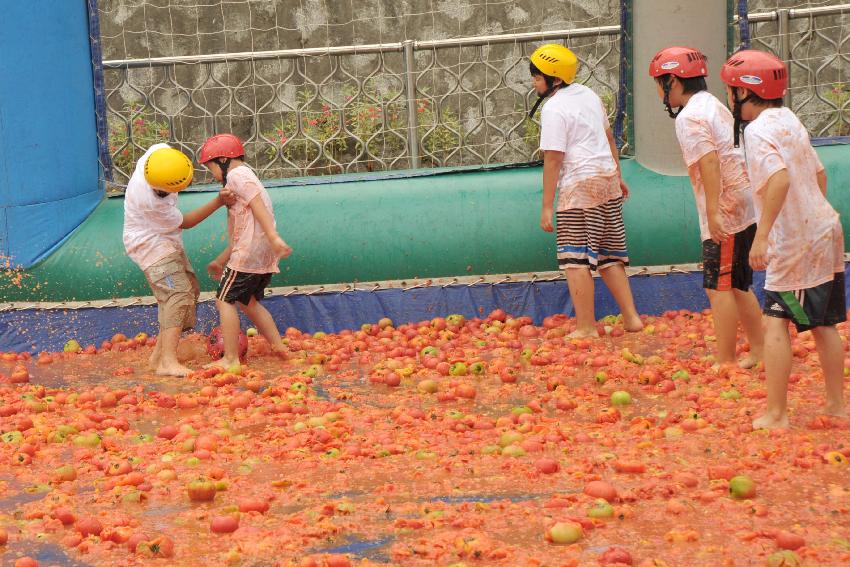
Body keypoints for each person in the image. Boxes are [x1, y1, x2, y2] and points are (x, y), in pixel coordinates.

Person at [721, 49, 846, 428]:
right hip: (824, 228)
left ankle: (776, 413)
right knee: (822, 322)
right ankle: (836, 404)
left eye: (731, 89)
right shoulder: (789, 119)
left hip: (795, 242)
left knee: (775, 319)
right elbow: (818, 175)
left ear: (744, 92)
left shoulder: (756, 132)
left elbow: (779, 178)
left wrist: (762, 237)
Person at [648, 46, 764, 369]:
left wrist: (713, 213)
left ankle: (725, 360)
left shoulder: (689, 117)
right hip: (744, 202)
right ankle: (760, 349)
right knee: (739, 285)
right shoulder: (712, 104)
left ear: (673, 80)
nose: (659, 91)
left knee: (719, 287)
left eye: (660, 83)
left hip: (725, 207)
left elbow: (710, 163)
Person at [530, 43, 642, 338]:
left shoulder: (553, 108)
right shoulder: (588, 95)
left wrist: (546, 206)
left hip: (580, 188)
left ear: (554, 78)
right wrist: (617, 175)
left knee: (574, 260)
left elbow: (553, 159)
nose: (533, 80)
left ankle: (585, 327)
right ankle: (631, 318)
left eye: (536, 75)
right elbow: (608, 137)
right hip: (605, 182)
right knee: (609, 256)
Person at [123, 143, 234, 376]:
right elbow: (187, 222)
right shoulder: (152, 202)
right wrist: (218, 201)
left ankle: (158, 358)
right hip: (149, 245)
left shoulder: (159, 153)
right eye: (162, 191)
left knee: (189, 291)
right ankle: (167, 362)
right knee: (177, 294)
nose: (165, 195)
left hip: (166, 241)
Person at [199, 134, 292, 368]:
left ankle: (230, 359)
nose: (212, 174)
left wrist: (274, 236)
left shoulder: (237, 175)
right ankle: (279, 346)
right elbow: (241, 232)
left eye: (210, 168)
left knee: (224, 301)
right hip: (260, 253)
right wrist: (220, 261)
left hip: (252, 251)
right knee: (247, 301)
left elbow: (258, 206)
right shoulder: (245, 177)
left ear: (222, 160)